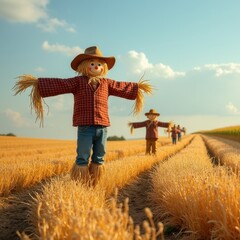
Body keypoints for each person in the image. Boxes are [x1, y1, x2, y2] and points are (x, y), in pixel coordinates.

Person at [13, 46, 153, 186]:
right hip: (85, 127)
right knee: (83, 156)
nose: (96, 67)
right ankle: (81, 182)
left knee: (100, 156)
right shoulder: (77, 82)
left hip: (102, 126)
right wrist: (38, 83)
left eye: (99, 64)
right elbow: (61, 84)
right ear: (85, 66)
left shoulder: (107, 83)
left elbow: (121, 86)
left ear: (103, 67)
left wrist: (137, 87)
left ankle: (95, 182)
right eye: (92, 64)